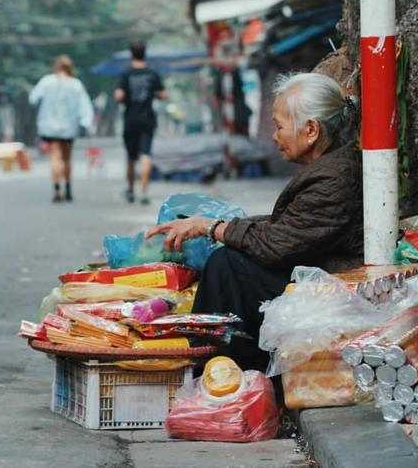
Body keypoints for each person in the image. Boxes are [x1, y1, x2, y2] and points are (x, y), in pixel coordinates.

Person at [145, 71, 362, 373]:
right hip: (321, 271)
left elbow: (278, 244)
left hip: (336, 288)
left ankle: (215, 370)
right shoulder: (332, 167)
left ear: (311, 130)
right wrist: (215, 225)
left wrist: (213, 228)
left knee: (228, 266)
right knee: (229, 258)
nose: (274, 136)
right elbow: (286, 225)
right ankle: (221, 367)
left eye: (279, 126)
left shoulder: (334, 178)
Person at [29, 55, 94, 203]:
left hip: (49, 127)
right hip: (68, 128)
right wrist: (87, 124)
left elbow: (33, 98)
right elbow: (85, 107)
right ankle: (68, 187)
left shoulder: (46, 81)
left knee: (55, 158)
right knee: (67, 158)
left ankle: (57, 189)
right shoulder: (76, 84)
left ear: (56, 66)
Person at [115, 39, 167, 205]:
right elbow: (163, 94)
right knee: (145, 155)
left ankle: (130, 190)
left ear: (131, 53)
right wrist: (155, 94)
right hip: (147, 119)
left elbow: (119, 96)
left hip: (130, 119)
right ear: (145, 52)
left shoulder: (125, 73)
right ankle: (144, 192)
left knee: (131, 157)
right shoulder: (152, 73)